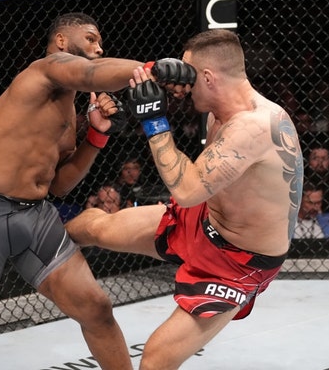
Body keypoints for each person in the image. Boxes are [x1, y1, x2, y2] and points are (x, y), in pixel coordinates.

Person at [0, 13, 188, 370]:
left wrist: (97, 135)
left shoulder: (68, 108)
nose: (99, 47)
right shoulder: (44, 70)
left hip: (36, 215)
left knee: (97, 309)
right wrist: (150, 68)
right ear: (61, 41)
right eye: (90, 38)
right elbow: (92, 73)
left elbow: (60, 183)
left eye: (99, 41)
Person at [66, 29, 303, 370]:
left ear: (208, 77)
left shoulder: (253, 127)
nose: (185, 83)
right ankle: (36, 240)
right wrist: (156, 76)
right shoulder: (219, 110)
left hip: (238, 262)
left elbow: (188, 190)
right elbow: (197, 195)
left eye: (190, 74)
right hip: (203, 219)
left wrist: (154, 119)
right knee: (98, 227)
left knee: (155, 360)